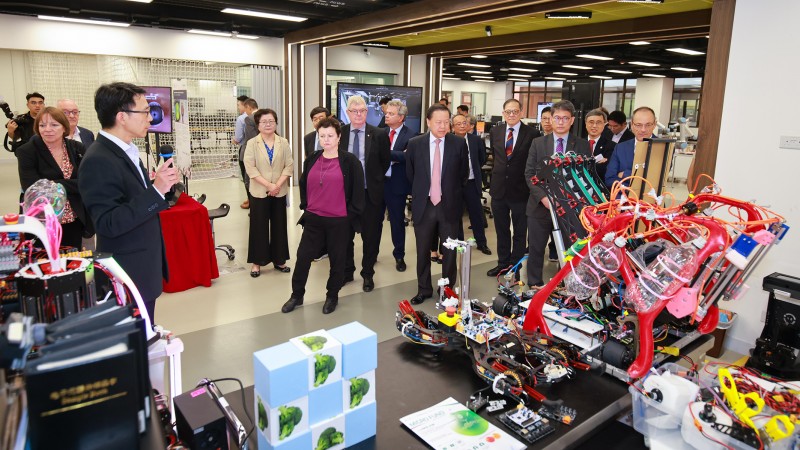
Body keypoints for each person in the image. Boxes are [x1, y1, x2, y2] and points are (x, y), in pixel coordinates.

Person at [79, 82, 179, 323]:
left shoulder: (127, 150)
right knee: (136, 340)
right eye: (145, 111)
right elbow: (108, 223)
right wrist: (155, 192)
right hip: (126, 270)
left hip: (141, 264)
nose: (150, 118)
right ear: (122, 117)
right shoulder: (98, 159)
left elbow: (134, 200)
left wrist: (162, 190)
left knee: (146, 331)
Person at [281, 117, 365, 315]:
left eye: (330, 136)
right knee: (303, 258)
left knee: (337, 260)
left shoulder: (350, 162)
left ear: (338, 137)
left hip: (339, 221)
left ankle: (332, 296)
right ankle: (296, 295)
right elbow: (303, 184)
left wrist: (349, 216)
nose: (326, 140)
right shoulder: (312, 159)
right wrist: (305, 206)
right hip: (314, 220)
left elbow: (358, 193)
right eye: (322, 136)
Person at [406, 104, 468, 305]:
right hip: (424, 205)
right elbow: (411, 174)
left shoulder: (458, 144)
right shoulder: (415, 144)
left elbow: (463, 175)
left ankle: (447, 291)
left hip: (448, 205)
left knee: (449, 252)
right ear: (428, 122)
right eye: (438, 122)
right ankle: (423, 289)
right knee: (422, 250)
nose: (442, 126)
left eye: (446, 122)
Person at [525, 100, 591, 288]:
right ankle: (535, 285)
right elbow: (529, 174)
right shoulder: (538, 143)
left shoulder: (582, 145)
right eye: (557, 118)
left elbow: (584, 177)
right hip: (540, 206)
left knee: (568, 251)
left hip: (569, 209)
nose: (560, 122)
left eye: (565, 118)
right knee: (536, 249)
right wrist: (544, 198)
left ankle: (563, 286)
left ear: (572, 121)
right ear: (551, 120)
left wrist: (568, 200)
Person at [17, 106, 92, 249]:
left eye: (54, 125)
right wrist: (72, 185)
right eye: (42, 125)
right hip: (42, 220)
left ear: (64, 128)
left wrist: (52, 184)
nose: (47, 129)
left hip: (73, 219)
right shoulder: (27, 151)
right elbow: (32, 188)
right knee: (42, 264)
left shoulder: (77, 148)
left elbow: (88, 182)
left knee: (71, 264)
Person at [338, 95, 390, 292]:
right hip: (345, 196)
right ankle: (347, 271)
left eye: (362, 111)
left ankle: (367, 273)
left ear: (367, 112)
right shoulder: (340, 133)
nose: (358, 114)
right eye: (354, 111)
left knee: (371, 236)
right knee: (344, 236)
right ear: (348, 113)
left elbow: (384, 162)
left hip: (371, 194)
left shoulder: (378, 134)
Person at [486, 99, 540, 278]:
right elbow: (497, 157)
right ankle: (502, 264)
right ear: (503, 113)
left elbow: (533, 162)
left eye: (515, 112)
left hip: (521, 191)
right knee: (501, 231)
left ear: (521, 113)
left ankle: (515, 266)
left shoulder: (532, 133)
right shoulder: (496, 131)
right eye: (508, 111)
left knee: (519, 231)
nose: (511, 115)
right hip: (499, 189)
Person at [244, 108, 293, 278]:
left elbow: (289, 165)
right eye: (263, 122)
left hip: (279, 191)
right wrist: (268, 185)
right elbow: (250, 168)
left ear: (276, 123)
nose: (267, 124)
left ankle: (280, 260)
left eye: (271, 121)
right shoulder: (252, 143)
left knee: (280, 225)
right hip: (259, 191)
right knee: (259, 226)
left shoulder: (283, 142)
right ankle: (257, 262)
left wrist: (277, 185)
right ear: (257, 125)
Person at [452, 114, 491, 255]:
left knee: (476, 215)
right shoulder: (449, 140)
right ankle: (460, 243)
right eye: (458, 124)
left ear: (468, 125)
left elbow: (481, 159)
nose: (462, 126)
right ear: (453, 126)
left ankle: (481, 243)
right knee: (456, 215)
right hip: (455, 184)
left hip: (472, 182)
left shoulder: (475, 140)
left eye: (464, 123)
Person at [383, 99, 413, 272]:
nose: (386, 115)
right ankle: (371, 255)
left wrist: (385, 154)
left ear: (401, 117)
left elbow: (407, 157)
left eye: (391, 113)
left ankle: (399, 255)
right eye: (386, 113)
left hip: (397, 185)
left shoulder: (412, 135)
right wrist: (397, 155)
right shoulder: (379, 132)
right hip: (378, 184)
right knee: (373, 223)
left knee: (397, 222)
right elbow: (399, 156)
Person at [605, 106, 658, 188]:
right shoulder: (620, 147)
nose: (643, 129)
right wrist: (631, 189)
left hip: (651, 198)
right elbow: (609, 179)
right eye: (638, 125)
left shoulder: (663, 147)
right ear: (632, 125)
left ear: (654, 124)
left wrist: (625, 174)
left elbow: (655, 178)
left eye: (648, 125)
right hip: (623, 198)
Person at [585, 108, 616, 182]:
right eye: (591, 122)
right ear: (586, 124)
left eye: (598, 122)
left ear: (604, 124)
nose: (594, 126)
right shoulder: (577, 143)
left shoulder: (612, 146)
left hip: (601, 188)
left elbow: (607, 169)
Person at [238, 98, 259, 208]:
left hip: (250, 155)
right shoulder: (265, 116)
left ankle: (253, 205)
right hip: (264, 155)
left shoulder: (249, 119)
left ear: (248, 107)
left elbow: (251, 140)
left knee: (248, 181)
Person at [232, 95, 250, 209]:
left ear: (245, 105)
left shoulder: (241, 119)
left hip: (244, 149)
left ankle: (250, 201)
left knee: (246, 177)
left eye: (239, 105)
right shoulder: (256, 117)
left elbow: (238, 138)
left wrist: (234, 140)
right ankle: (250, 199)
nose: (238, 107)